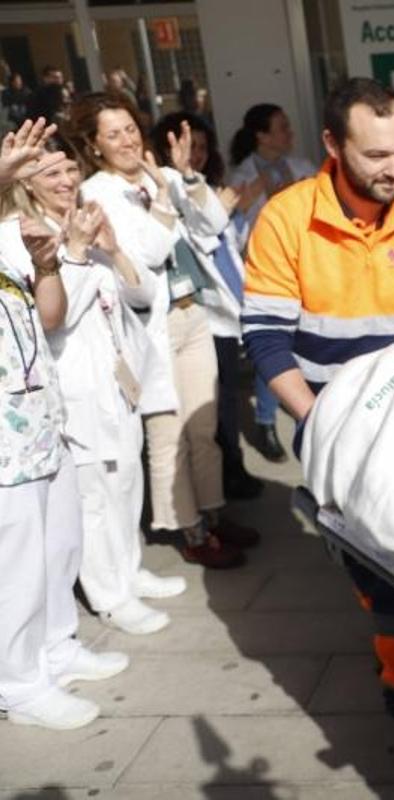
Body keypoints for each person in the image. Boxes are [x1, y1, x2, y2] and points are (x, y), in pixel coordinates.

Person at [241, 77, 394, 773]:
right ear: (332, 145)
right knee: (374, 560)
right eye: (377, 154)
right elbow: (264, 340)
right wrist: (322, 424)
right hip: (327, 420)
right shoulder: (286, 219)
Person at [2, 131, 186, 635]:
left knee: (127, 479)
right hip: (72, 384)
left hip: (115, 376)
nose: (66, 180)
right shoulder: (22, 234)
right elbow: (51, 320)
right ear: (26, 184)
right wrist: (77, 254)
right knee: (96, 494)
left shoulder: (81, 222)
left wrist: (112, 250)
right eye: (51, 173)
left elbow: (139, 294)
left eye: (68, 169)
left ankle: (129, 569)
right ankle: (108, 593)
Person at [70, 91, 254, 571]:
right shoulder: (96, 193)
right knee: (168, 431)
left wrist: (184, 177)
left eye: (130, 128)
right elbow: (147, 255)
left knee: (203, 426)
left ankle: (213, 514)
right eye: (113, 134)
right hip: (151, 325)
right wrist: (163, 204)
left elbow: (214, 220)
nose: (127, 140)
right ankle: (188, 528)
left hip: (195, 314)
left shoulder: (165, 174)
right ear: (94, 146)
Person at [0, 117, 129, 730]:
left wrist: (49, 264)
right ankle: (18, 682)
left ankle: (55, 647)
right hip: (4, 441)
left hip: (39, 421)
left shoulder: (11, 234)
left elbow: (49, 317)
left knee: (57, 546)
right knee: (16, 562)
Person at [150, 112, 264, 501]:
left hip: (228, 308)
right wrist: (226, 210)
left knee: (226, 396)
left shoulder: (207, 188)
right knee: (212, 404)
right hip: (198, 313)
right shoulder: (162, 190)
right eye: (184, 146)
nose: (193, 154)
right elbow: (198, 241)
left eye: (199, 146)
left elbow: (229, 242)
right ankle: (227, 474)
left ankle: (231, 470)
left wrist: (235, 210)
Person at [227, 102, 317, 461]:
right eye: (281, 127)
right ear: (261, 136)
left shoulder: (304, 169)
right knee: (275, 345)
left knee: (303, 346)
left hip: (309, 270)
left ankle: (302, 418)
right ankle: (266, 421)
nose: (290, 133)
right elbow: (232, 235)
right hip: (267, 273)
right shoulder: (241, 179)